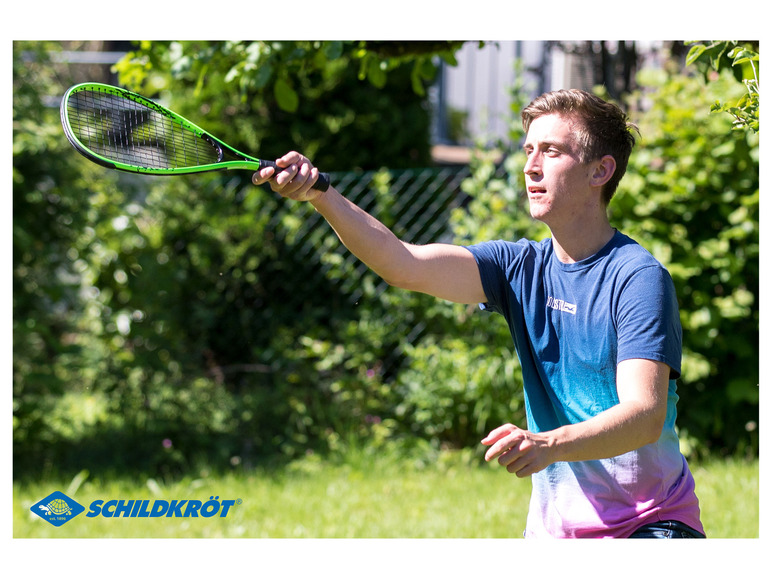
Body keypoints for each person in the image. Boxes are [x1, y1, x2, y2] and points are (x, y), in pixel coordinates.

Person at [252, 88, 705, 539]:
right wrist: (320, 193)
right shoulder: (519, 268)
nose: (530, 166)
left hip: (650, 526)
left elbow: (644, 414)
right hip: (557, 535)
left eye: (551, 151)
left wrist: (548, 444)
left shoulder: (637, 277)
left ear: (600, 170)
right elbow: (403, 264)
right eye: (529, 149)